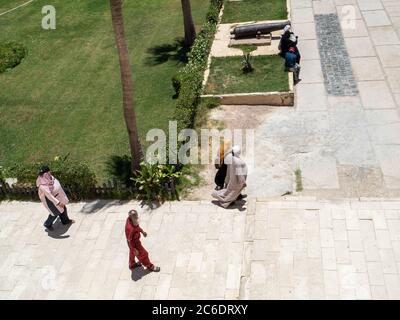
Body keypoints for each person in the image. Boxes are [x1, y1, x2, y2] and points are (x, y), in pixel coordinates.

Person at [36, 165, 75, 231]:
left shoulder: (49, 177)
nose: (48, 173)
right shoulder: (42, 185)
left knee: (63, 208)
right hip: (50, 201)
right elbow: (49, 195)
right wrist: (58, 203)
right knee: (55, 213)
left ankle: (65, 221)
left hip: (57, 197)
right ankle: (47, 224)